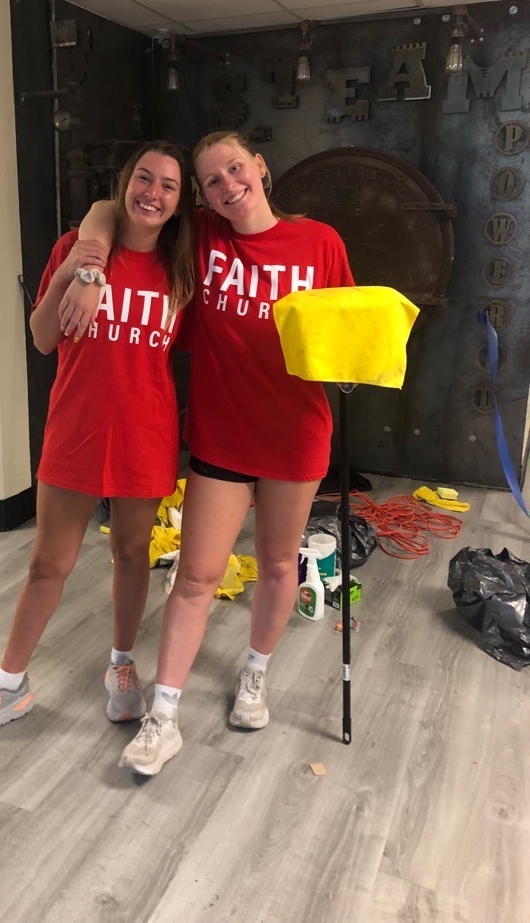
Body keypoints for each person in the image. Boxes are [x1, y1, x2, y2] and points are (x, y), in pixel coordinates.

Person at [66, 131, 354, 774]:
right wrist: (88, 265)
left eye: (235, 168)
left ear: (261, 167)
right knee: (196, 575)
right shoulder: (201, 236)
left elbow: (342, 328)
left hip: (295, 434)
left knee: (277, 563)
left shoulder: (320, 242)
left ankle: (255, 673)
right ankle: (163, 716)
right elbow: (111, 209)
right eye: (212, 181)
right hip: (223, 436)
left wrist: (351, 366)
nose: (228, 185)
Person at [0, 141, 194, 745]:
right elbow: (41, 338)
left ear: (179, 201)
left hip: (145, 433)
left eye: (168, 185)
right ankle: (9, 684)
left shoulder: (182, 269)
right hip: (76, 430)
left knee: (132, 555)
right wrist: (75, 274)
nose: (152, 193)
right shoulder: (79, 248)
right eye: (144, 178)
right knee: (47, 564)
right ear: (125, 182)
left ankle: (121, 663)